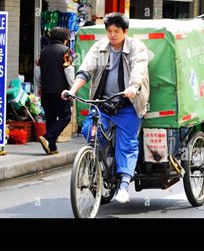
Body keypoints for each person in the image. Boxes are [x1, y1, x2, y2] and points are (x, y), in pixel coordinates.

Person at [62, 13, 150, 204]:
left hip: (128, 103)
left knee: (127, 145)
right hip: (102, 103)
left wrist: (133, 88)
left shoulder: (137, 47)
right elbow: (86, 70)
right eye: (109, 31)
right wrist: (72, 90)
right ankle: (102, 164)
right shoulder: (100, 48)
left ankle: (124, 185)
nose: (112, 35)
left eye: (116, 31)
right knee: (89, 131)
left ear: (125, 31)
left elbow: (139, 70)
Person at [37, 27, 73, 155]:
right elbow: (68, 71)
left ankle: (52, 148)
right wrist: (73, 88)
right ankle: (47, 138)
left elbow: (39, 73)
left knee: (51, 118)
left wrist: (39, 87)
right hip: (61, 92)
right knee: (66, 116)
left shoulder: (43, 51)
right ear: (64, 39)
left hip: (46, 91)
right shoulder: (65, 51)